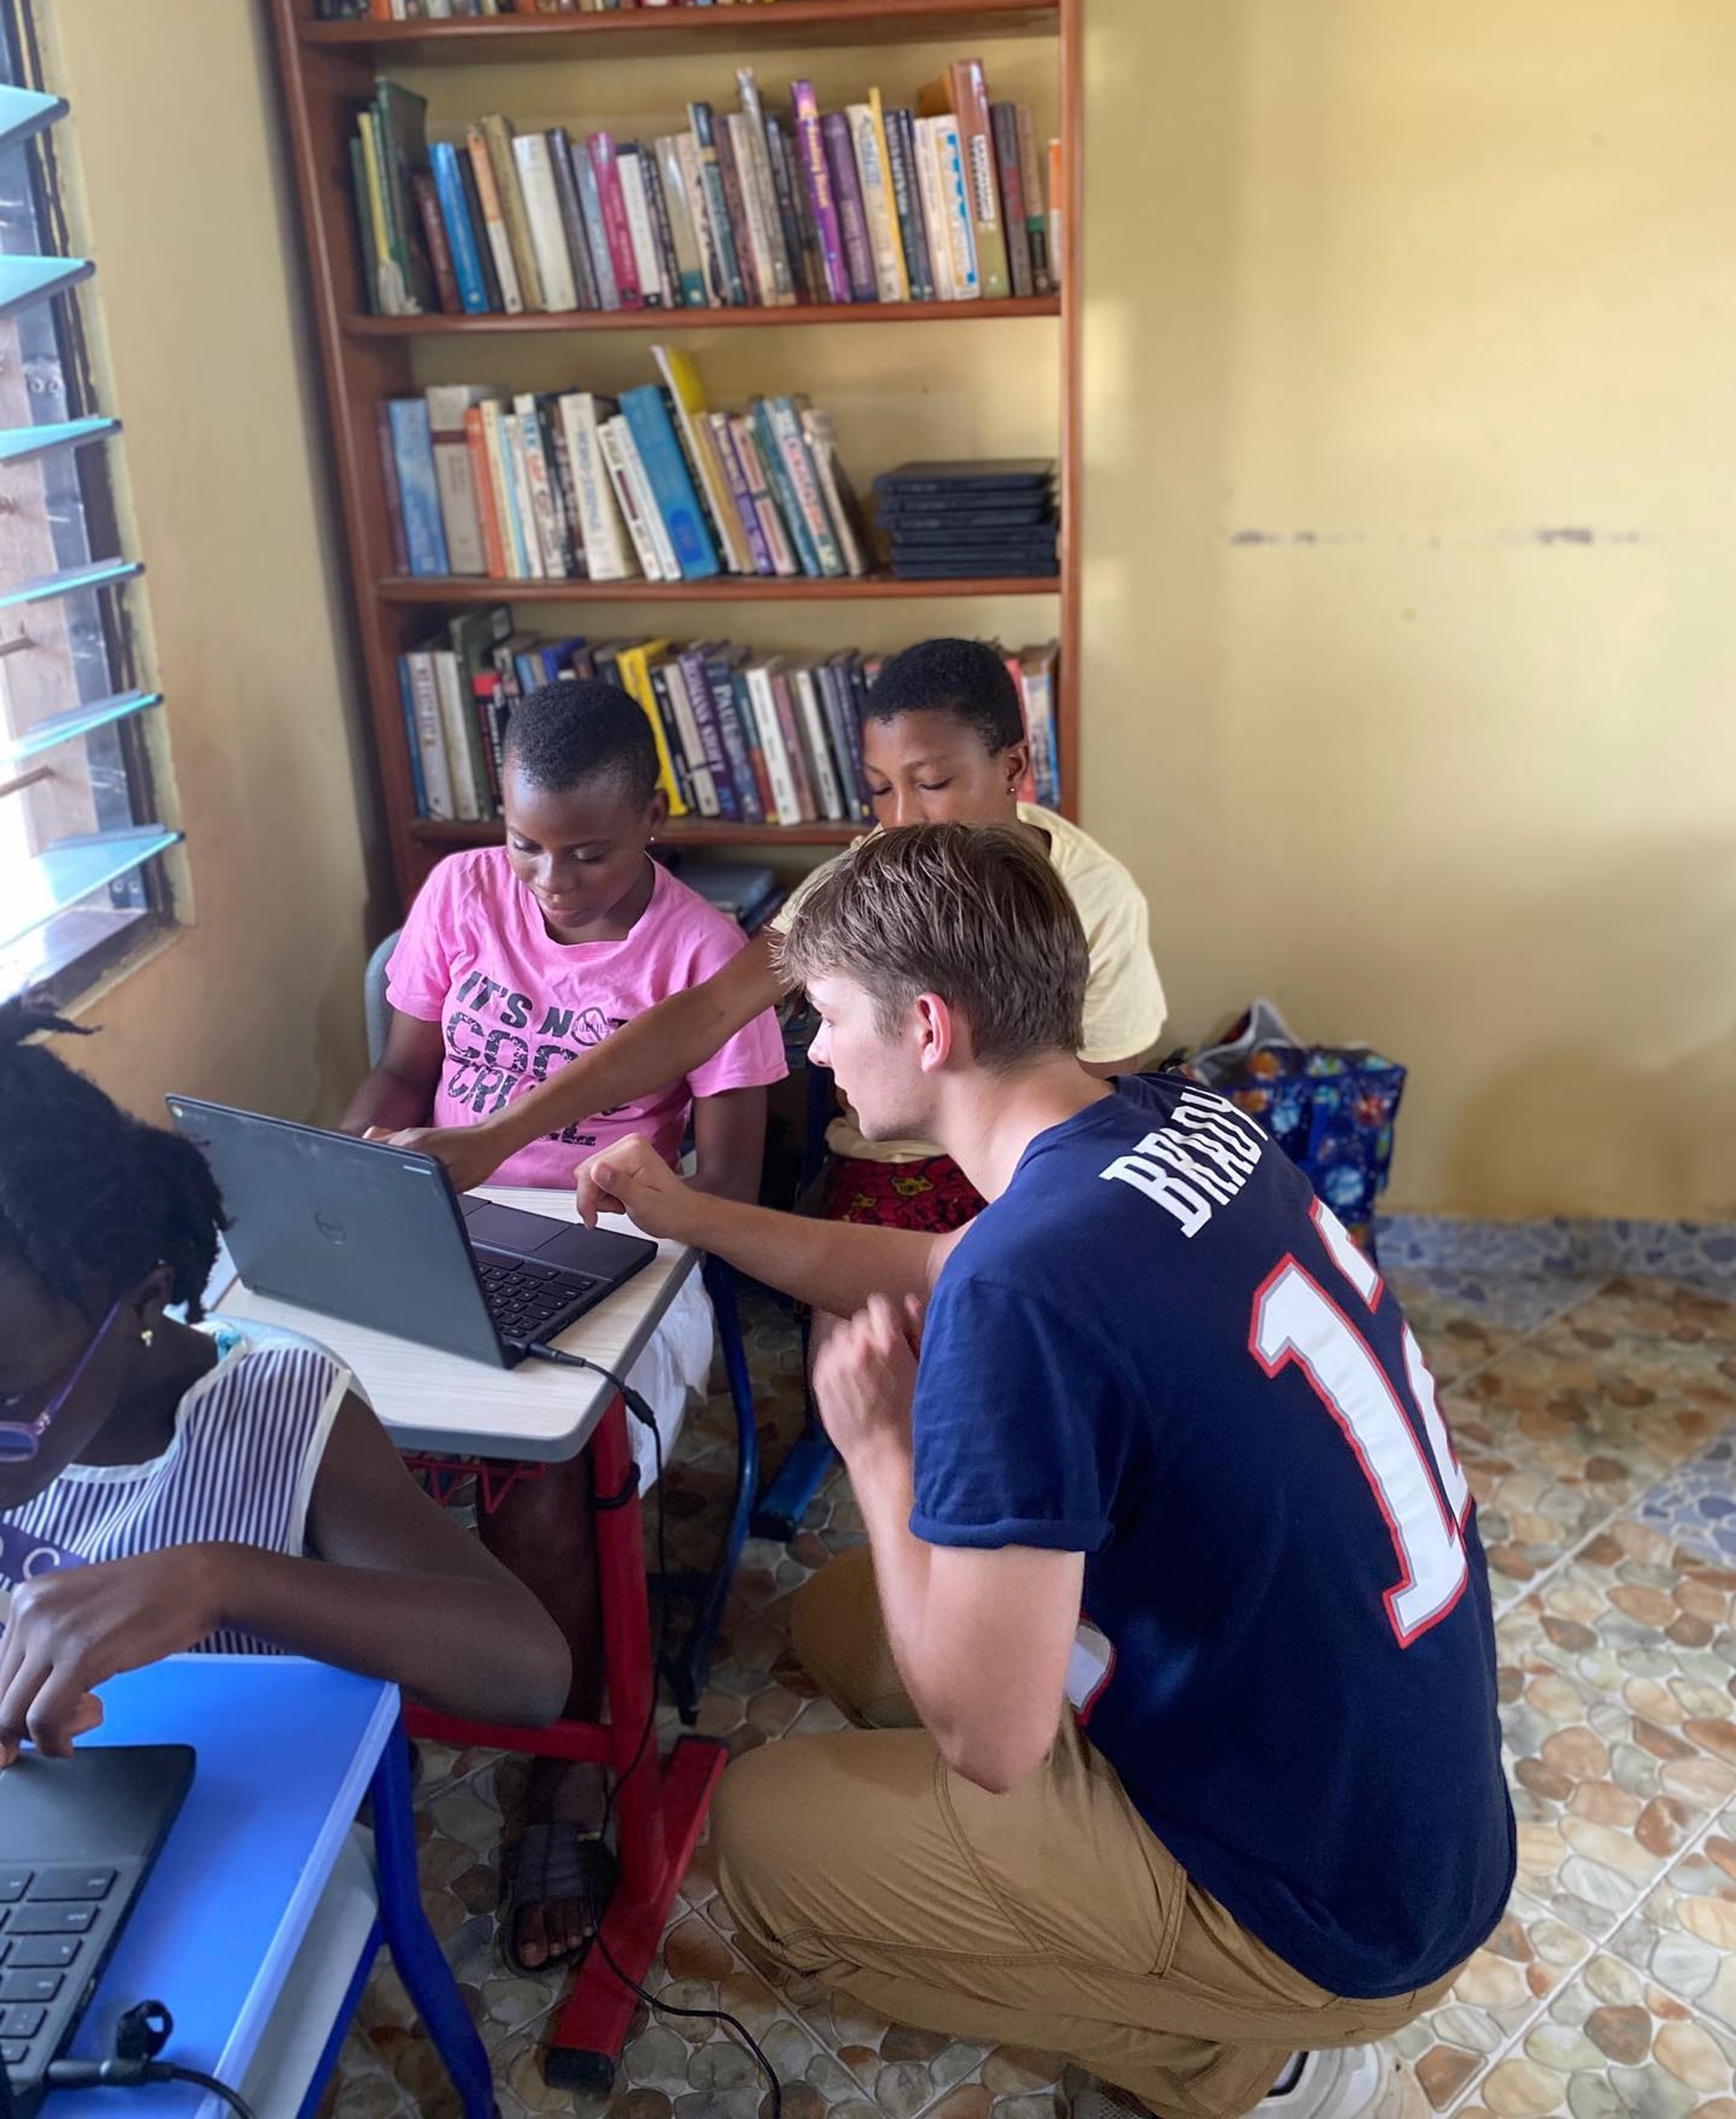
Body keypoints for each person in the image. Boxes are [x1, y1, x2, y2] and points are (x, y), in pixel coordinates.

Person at [567, 826, 1515, 2119]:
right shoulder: (1164, 1118)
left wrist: (882, 1449)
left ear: (931, 1028)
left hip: (1329, 1911)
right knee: (847, 1619)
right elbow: (948, 1267)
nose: (816, 1050)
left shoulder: (1033, 1287)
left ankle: (1252, 2059)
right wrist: (689, 1213)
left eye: (830, 1015)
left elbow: (991, 1739)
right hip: (1401, 1799)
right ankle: (1184, 1954)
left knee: (764, 1841)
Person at [341, 676, 785, 1972]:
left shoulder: (704, 957)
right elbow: (404, 1072)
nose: (550, 879)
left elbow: (730, 1191)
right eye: (527, 843)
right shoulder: (462, 896)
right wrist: (369, 1145)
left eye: (588, 850)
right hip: (448, 1213)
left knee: (545, 1468)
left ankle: (575, 1756)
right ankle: (395, 1684)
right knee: (297, 1403)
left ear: (656, 817)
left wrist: (629, 1209)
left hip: (629, 1250)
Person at [373, 639, 1165, 1235]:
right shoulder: (863, 878)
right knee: (869, 1357)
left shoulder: (1097, 899)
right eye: (882, 790)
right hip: (894, 1169)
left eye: (931, 785)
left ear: (1014, 765)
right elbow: (707, 1013)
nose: (900, 820)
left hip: (1036, 1176)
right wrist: (496, 1134)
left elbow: (1104, 1108)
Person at [0, 998, 571, 1770]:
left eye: (8, 1398)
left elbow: (529, 1671)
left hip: (262, 1828)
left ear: (139, 1300)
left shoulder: (280, 1409)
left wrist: (222, 1579)